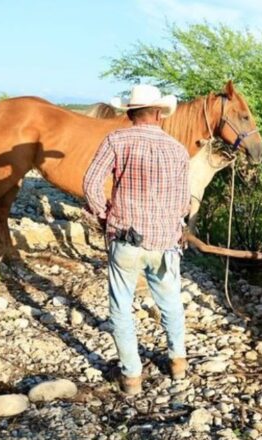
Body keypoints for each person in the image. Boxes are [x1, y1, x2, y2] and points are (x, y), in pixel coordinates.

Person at [83, 84, 191, 396]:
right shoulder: (178, 149)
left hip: (125, 238)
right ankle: (178, 364)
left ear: (130, 113)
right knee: (170, 302)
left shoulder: (117, 140)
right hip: (165, 242)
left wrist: (104, 215)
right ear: (159, 114)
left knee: (121, 306)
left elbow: (91, 183)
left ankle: (131, 377)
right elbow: (185, 202)